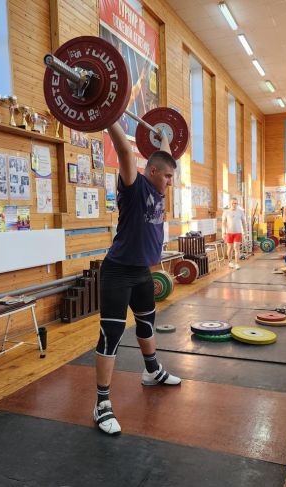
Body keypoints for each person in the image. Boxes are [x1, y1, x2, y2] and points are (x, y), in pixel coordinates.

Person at [94, 122, 181, 436]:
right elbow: (125, 151)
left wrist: (165, 140)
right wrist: (110, 116)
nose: (171, 182)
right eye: (168, 176)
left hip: (143, 272)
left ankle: (152, 371)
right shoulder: (134, 186)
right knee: (111, 336)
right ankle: (102, 403)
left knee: (146, 324)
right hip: (118, 272)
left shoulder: (159, 188)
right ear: (154, 173)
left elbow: (163, 158)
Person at [221, 197, 247, 269]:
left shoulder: (240, 212)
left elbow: (244, 222)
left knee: (236, 247)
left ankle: (237, 263)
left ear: (237, 204)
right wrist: (223, 233)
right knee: (230, 248)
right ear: (230, 203)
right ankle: (230, 262)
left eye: (236, 203)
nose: (234, 204)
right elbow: (223, 223)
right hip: (229, 233)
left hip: (238, 232)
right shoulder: (226, 212)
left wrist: (245, 231)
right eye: (233, 203)